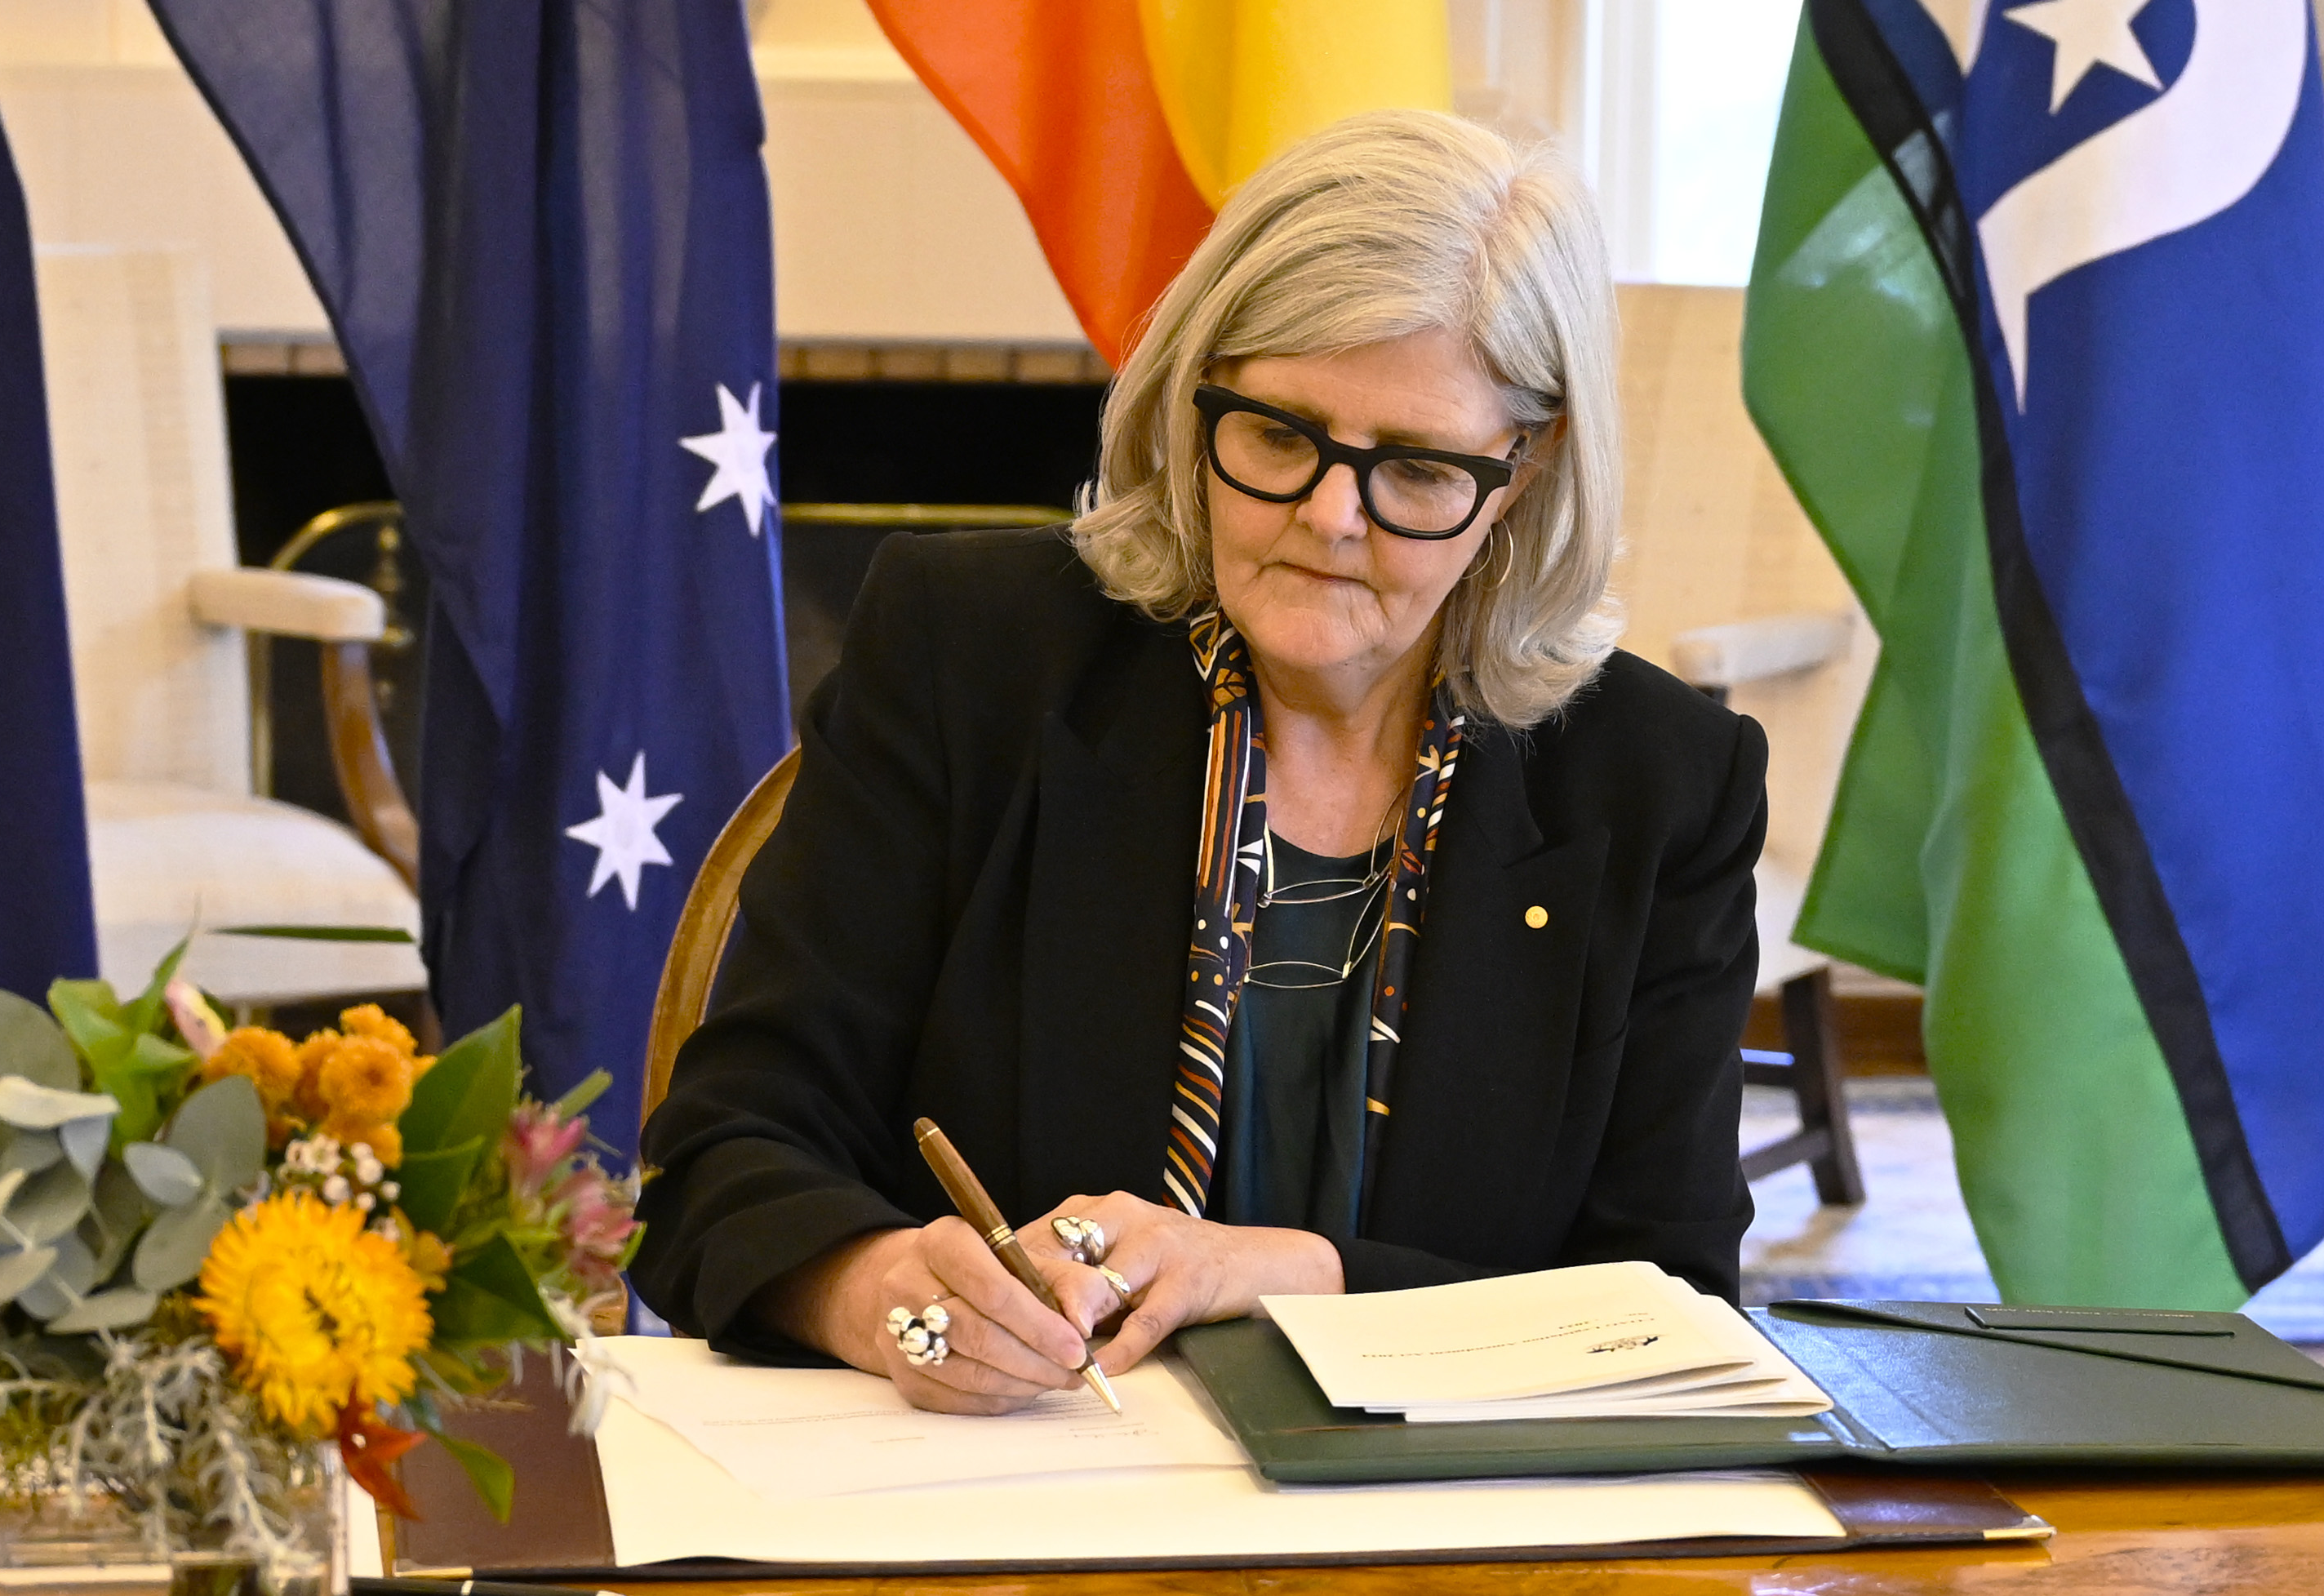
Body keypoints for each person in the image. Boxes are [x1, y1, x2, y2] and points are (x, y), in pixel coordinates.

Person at [633, 109, 1767, 1415]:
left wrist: (1284, 1270)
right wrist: (875, 1287)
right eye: (1279, 435)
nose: (1330, 520)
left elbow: (1668, 1304)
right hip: (1011, 1498)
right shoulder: (969, 658)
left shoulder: (1660, 782)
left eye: (1413, 468)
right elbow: (723, 1159)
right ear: (1193, 397)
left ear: (1525, 469)